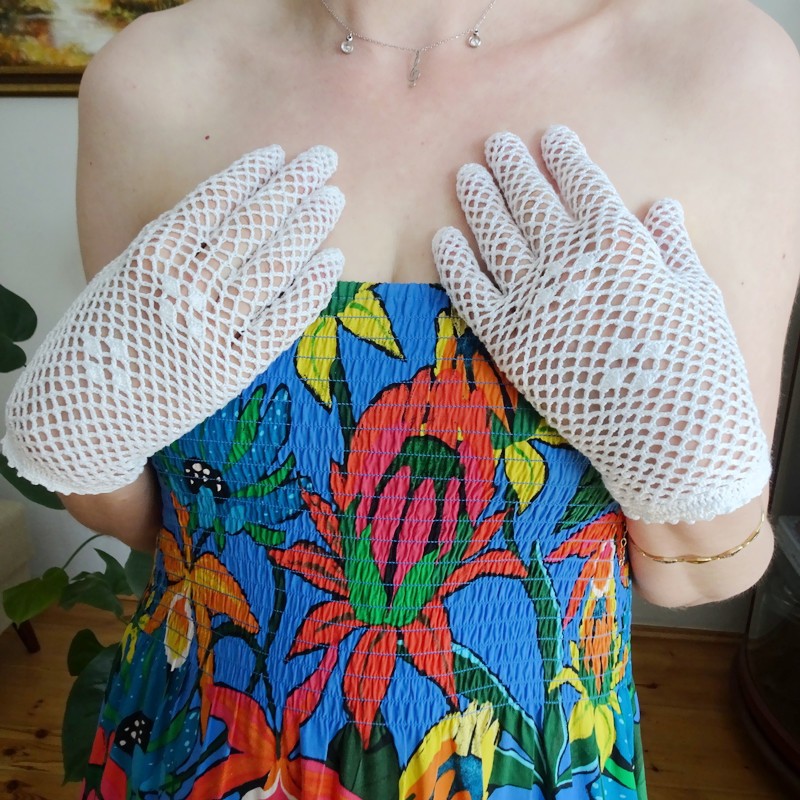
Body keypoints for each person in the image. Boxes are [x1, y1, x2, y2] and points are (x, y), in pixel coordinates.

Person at [3, 0, 799, 797]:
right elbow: (162, 525)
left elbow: (700, 575)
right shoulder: (150, 78)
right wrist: (83, 442)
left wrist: (684, 462)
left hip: (517, 769)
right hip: (205, 750)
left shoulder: (721, 70)